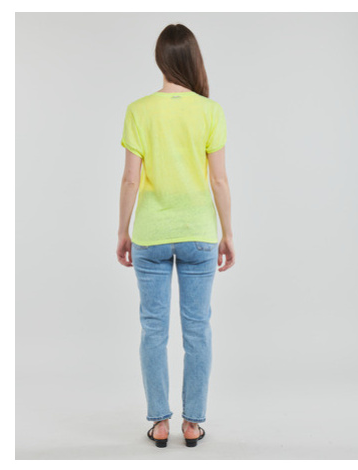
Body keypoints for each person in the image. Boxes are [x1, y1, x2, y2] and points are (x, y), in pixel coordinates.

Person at [116, 23, 235, 448]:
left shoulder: (139, 110)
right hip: (198, 233)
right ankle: (193, 424)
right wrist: (228, 233)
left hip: (150, 234)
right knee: (198, 330)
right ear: (192, 58)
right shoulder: (210, 111)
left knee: (153, 330)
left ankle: (160, 422)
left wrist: (123, 231)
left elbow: (131, 180)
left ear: (160, 59)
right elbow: (218, 180)